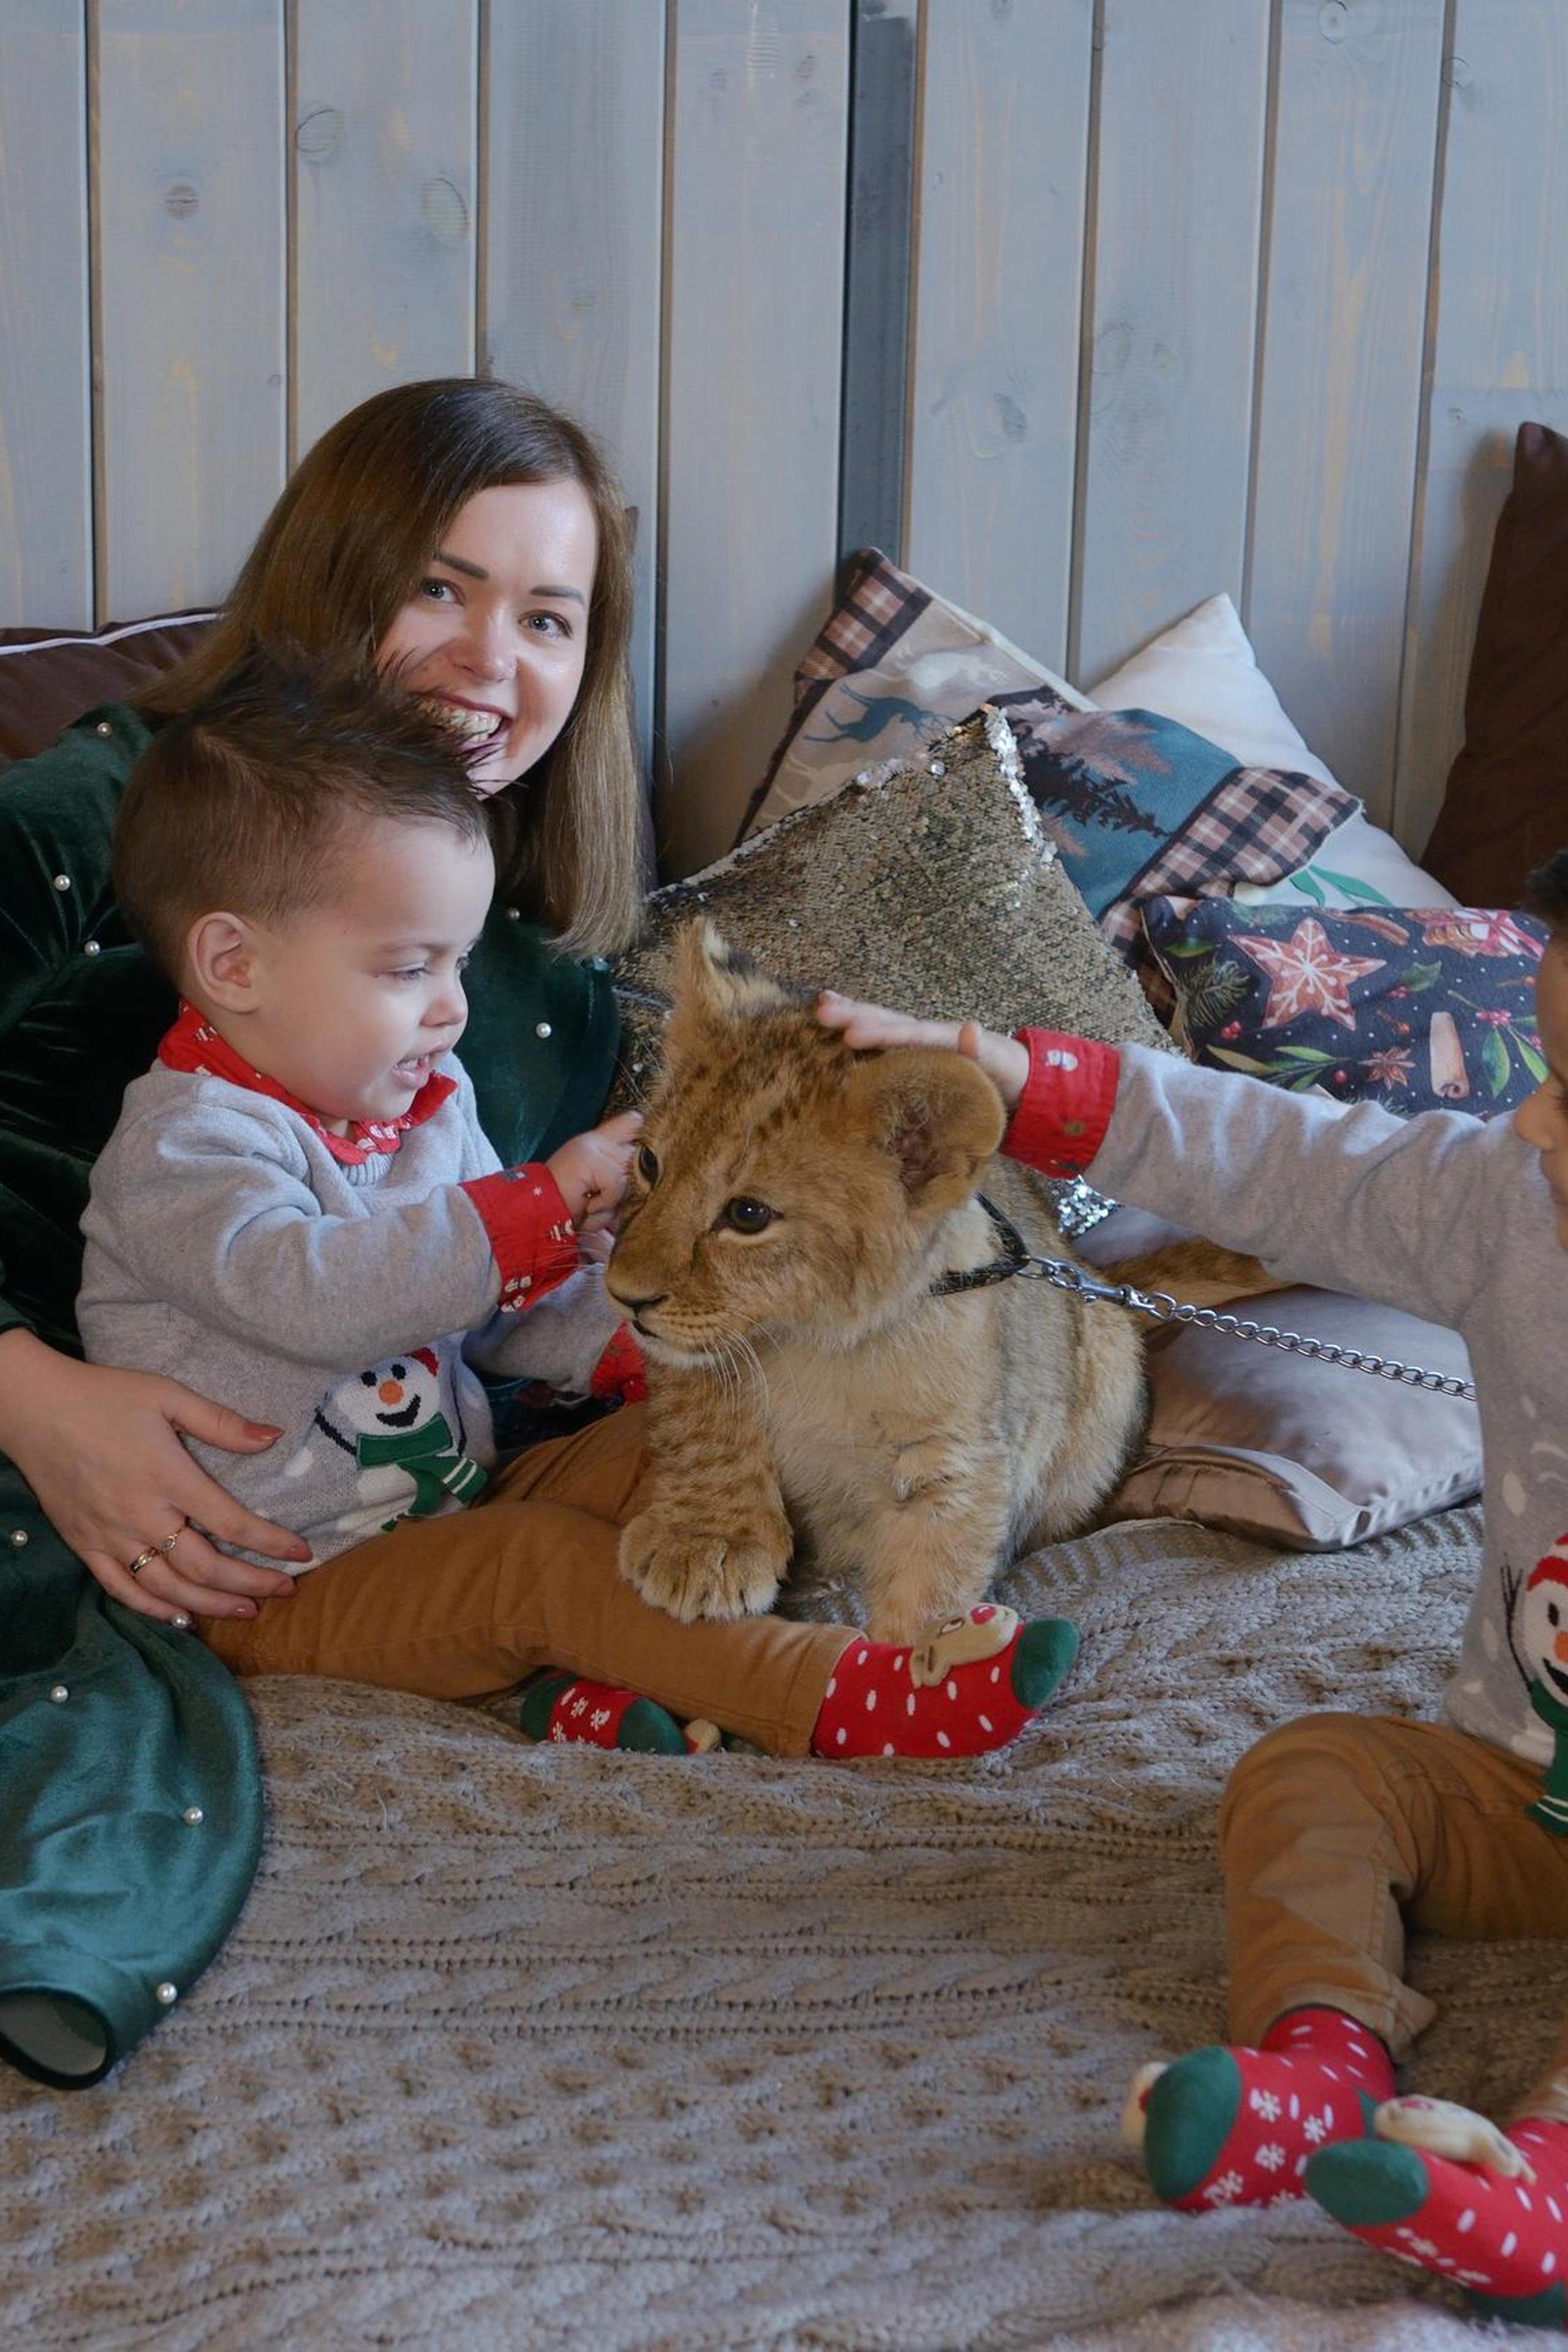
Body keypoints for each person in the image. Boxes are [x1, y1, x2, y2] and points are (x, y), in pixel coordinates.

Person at [79, 655, 1076, 1795]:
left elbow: (494, 1313)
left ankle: (605, 1694)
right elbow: (310, 1293)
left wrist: (623, 1341)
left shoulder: (418, 1100)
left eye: (459, 961)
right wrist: (539, 1208)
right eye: (412, 967)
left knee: (674, 1450)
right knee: (533, 1567)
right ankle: (835, 1693)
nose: (453, 1007)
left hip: (444, 1502)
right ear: (232, 964)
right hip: (281, 1589)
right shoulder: (183, 1148)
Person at [816, 861, 1568, 2331]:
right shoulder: (1507, 1205)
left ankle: (1539, 2187)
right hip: (1518, 1781)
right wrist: (1014, 1080)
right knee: (1315, 1775)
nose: (1536, 1118)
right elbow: (1280, 1159)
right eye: (1548, 1069)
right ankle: (1315, 2068)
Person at [0, 377, 644, 2086]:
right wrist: (31, 1402)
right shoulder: (90, 828)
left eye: (549, 618)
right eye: (439, 585)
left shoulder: (544, 975)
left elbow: (515, 1301)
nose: (491, 662)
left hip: (338, 1486)